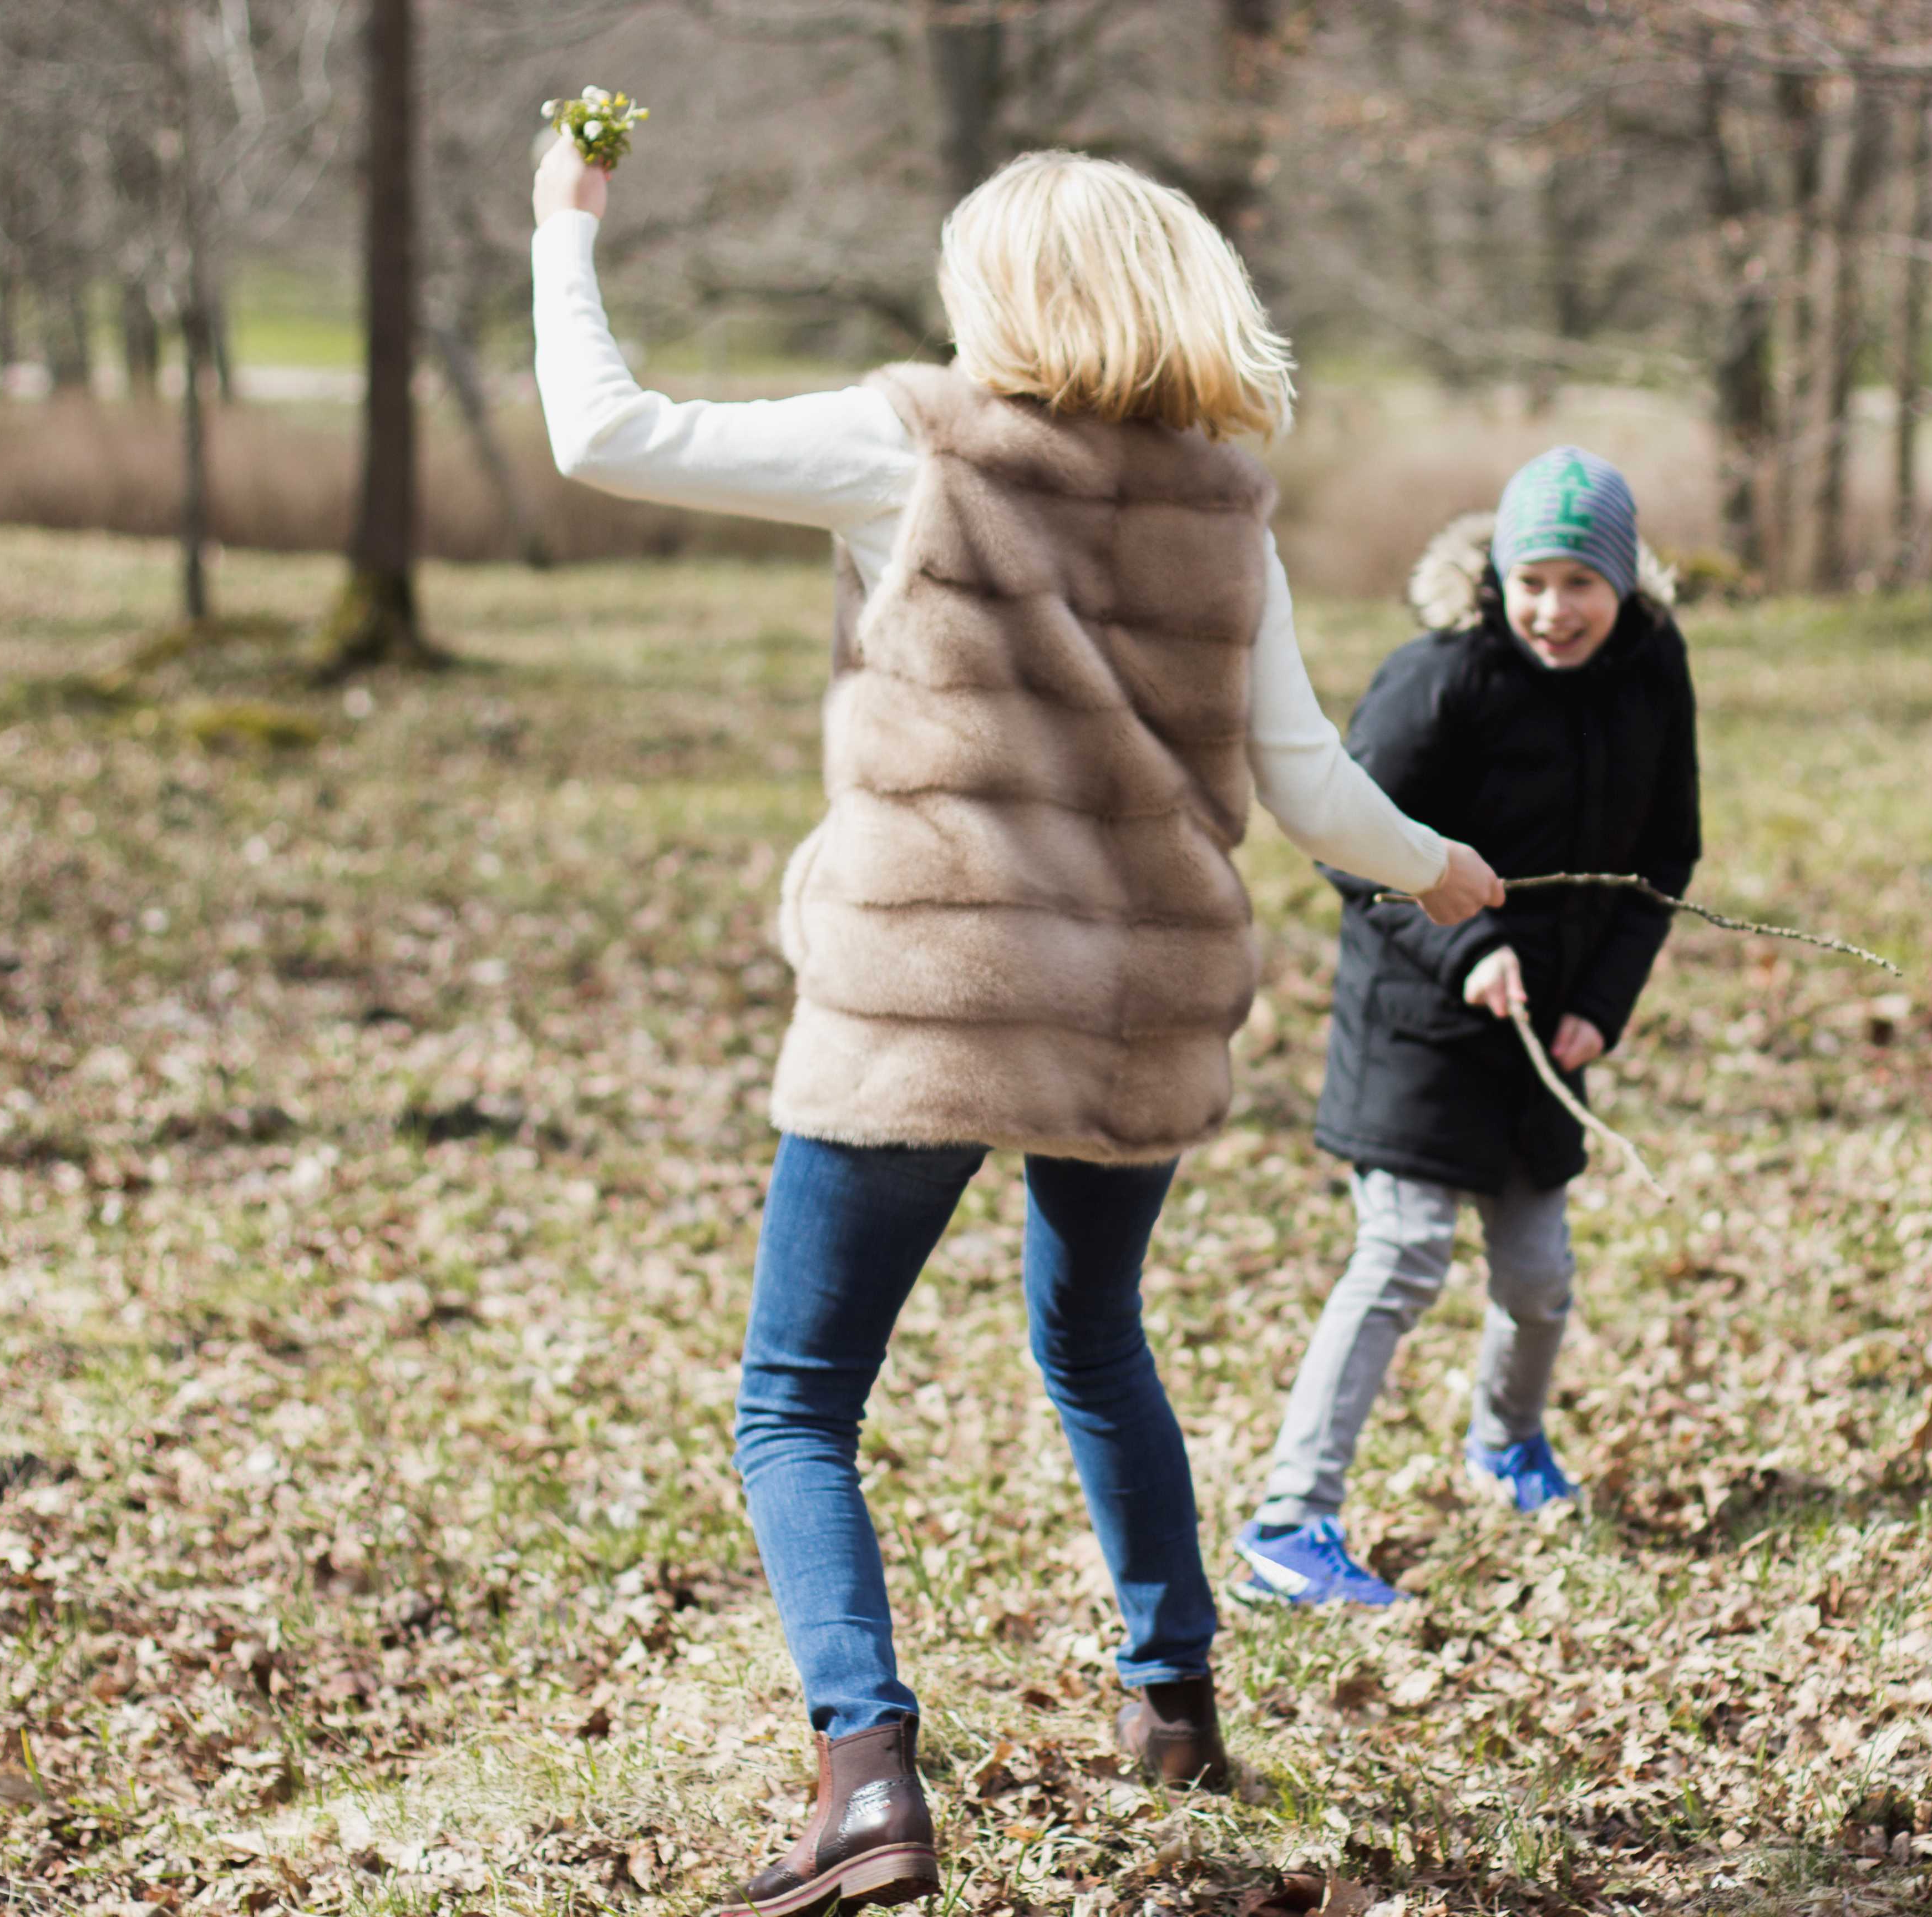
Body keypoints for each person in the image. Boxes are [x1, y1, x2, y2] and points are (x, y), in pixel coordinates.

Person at [530, 138, 1504, 1914]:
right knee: (1094, 1334)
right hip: (1132, 1001)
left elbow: (605, 432)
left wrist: (563, 227)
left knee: (795, 1404)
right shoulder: (1226, 501)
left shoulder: (922, 444)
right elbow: (1307, 782)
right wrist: (1439, 870)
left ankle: (865, 1784)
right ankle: (1176, 1701)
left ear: (1010, 293)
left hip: (932, 997)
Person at [1231, 448, 1700, 1610]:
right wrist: (1466, 949)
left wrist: (1602, 1005)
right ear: (1496, 575)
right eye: (1532, 581)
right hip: (1418, 1027)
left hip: (1548, 1037)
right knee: (1400, 1257)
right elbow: (1350, 844)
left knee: (1539, 1278)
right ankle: (1292, 1520)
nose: (1554, 610)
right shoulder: (1441, 678)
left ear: (1625, 583)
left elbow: (1667, 854)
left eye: (1580, 584)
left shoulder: (1654, 672)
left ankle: (1506, 1447)